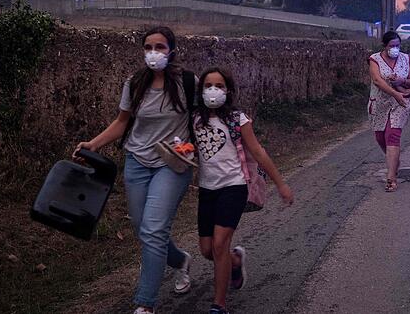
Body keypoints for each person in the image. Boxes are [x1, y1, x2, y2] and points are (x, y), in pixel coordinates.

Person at [74, 26, 196, 314]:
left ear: (172, 50)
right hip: (137, 162)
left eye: (160, 47)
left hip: (172, 164)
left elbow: (205, 119)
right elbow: (121, 122)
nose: (154, 53)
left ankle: (145, 303)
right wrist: (94, 144)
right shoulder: (135, 83)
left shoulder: (188, 83)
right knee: (144, 229)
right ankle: (180, 261)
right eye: (148, 47)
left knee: (153, 230)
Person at [193, 67, 294, 314]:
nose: (213, 90)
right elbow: (187, 146)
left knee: (219, 245)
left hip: (234, 187)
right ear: (201, 90)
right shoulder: (195, 118)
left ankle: (219, 305)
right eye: (208, 86)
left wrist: (280, 184)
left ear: (228, 91)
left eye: (219, 86)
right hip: (207, 190)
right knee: (207, 250)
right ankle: (235, 262)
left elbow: (258, 152)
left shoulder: (238, 119)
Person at [368, 31, 410, 192]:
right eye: (392, 46)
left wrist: (401, 81)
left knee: (392, 135)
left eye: (397, 46)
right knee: (380, 137)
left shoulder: (405, 58)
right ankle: (394, 161)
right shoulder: (375, 59)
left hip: (400, 103)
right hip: (380, 103)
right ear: (385, 46)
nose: (395, 49)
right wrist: (394, 92)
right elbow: (377, 80)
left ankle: (391, 178)